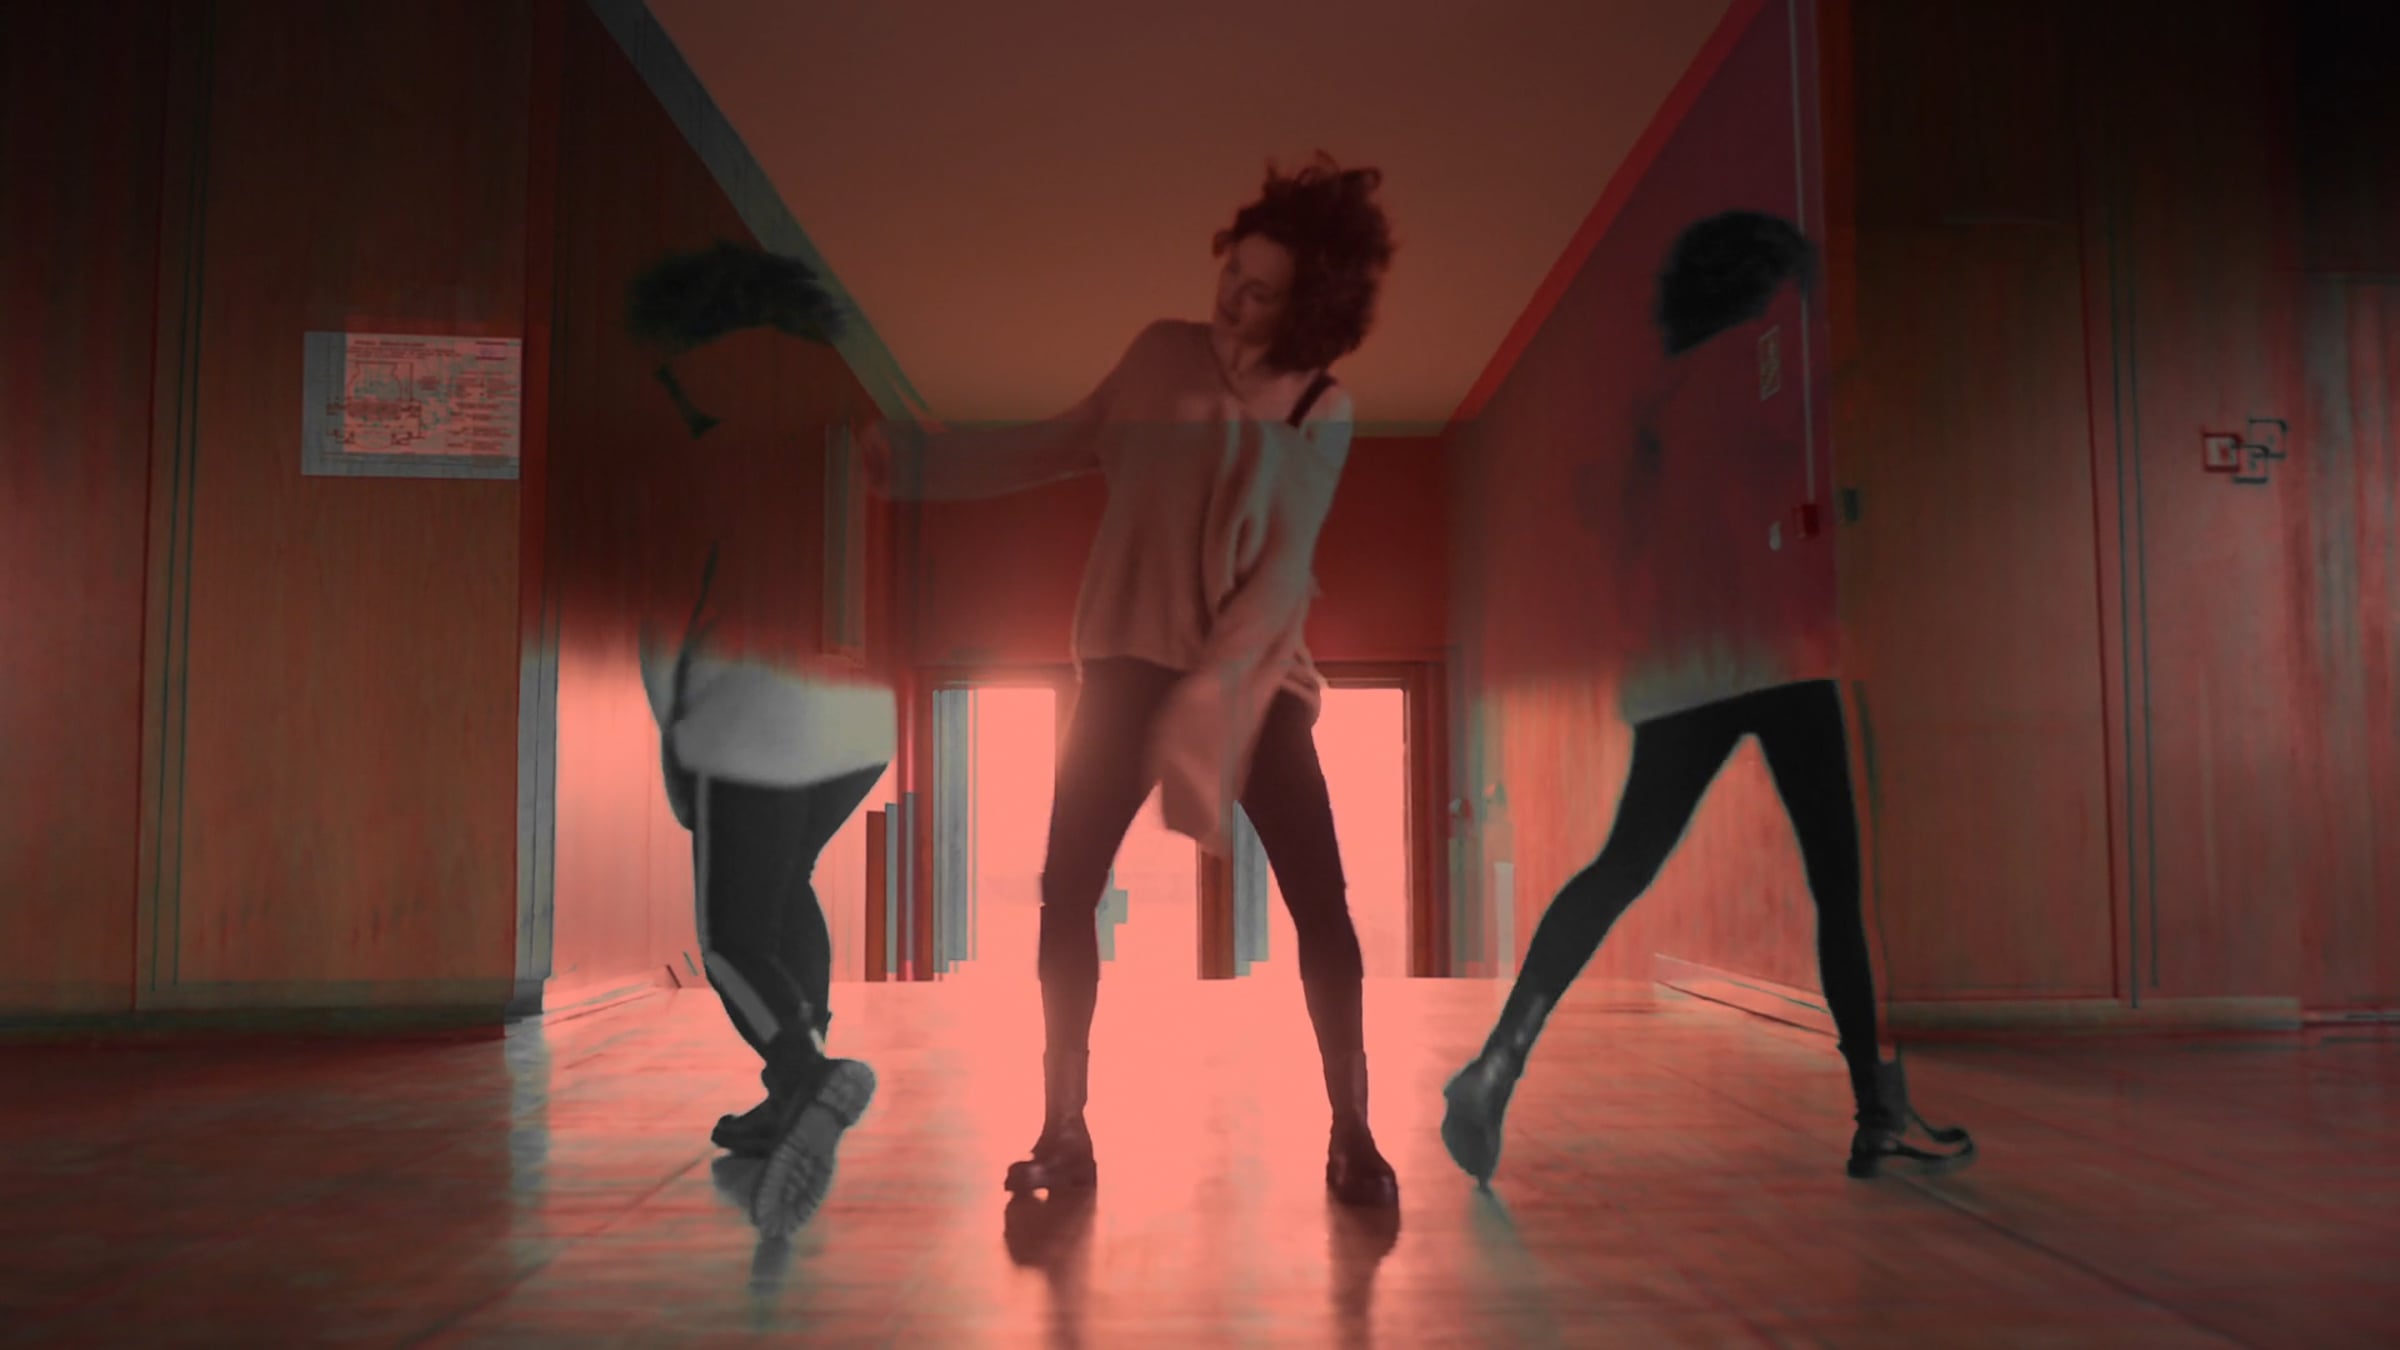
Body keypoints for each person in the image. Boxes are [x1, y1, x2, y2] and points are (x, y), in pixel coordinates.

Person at [860, 155, 1402, 1207]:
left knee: (1322, 905)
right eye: (1232, 272)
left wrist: (1211, 700)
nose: (1231, 298)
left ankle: (1354, 1131)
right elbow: (1066, 441)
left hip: (1257, 685)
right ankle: (1063, 1129)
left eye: (1261, 290)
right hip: (1120, 666)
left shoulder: (1320, 407)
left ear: (1307, 307)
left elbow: (1280, 574)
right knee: (1065, 893)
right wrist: (923, 466)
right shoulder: (1161, 356)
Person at [1438, 211, 1975, 1187]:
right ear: (1770, 286)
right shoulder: (1764, 352)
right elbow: (1775, 445)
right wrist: (1845, 415)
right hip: (1777, 651)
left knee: (1621, 866)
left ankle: (1499, 1060)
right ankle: (1878, 1112)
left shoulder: (1662, 392)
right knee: (1840, 886)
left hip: (1679, 665)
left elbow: (1619, 519)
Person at [627, 241, 893, 1238]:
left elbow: (665, 612)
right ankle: (792, 1100)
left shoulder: (701, 439)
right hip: (860, 712)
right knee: (785, 890)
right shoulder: (839, 433)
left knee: (733, 934)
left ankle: (808, 1077)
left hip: (754, 707)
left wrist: (677, 731)